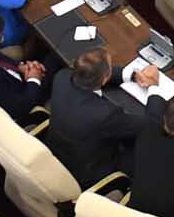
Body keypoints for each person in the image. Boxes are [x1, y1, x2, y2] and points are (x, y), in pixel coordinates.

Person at [43, 48, 153, 185]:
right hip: (86, 171)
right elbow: (145, 124)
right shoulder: (104, 114)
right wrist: (154, 89)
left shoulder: (62, 77)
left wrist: (132, 75)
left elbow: (89, 73)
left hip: (57, 151)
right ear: (105, 78)